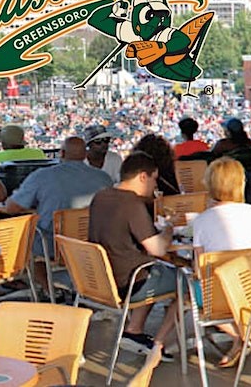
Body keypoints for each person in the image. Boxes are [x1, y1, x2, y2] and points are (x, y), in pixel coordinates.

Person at [88, 152, 180, 360]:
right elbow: (158, 249)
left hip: (101, 278)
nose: (155, 185)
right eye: (154, 179)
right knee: (186, 282)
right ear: (142, 177)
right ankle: (159, 344)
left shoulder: (101, 196)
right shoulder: (132, 205)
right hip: (128, 283)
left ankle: (134, 331)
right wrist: (168, 230)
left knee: (154, 268)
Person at [4, 137, 113, 296]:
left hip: (55, 244)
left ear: (61, 153)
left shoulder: (42, 176)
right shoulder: (104, 178)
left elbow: (11, 208)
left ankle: (48, 288)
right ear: (85, 155)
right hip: (93, 243)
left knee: (27, 235)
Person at [189, 157, 251, 367]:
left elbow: (198, 269)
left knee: (186, 291)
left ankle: (243, 336)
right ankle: (247, 334)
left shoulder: (202, 221)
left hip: (217, 300)